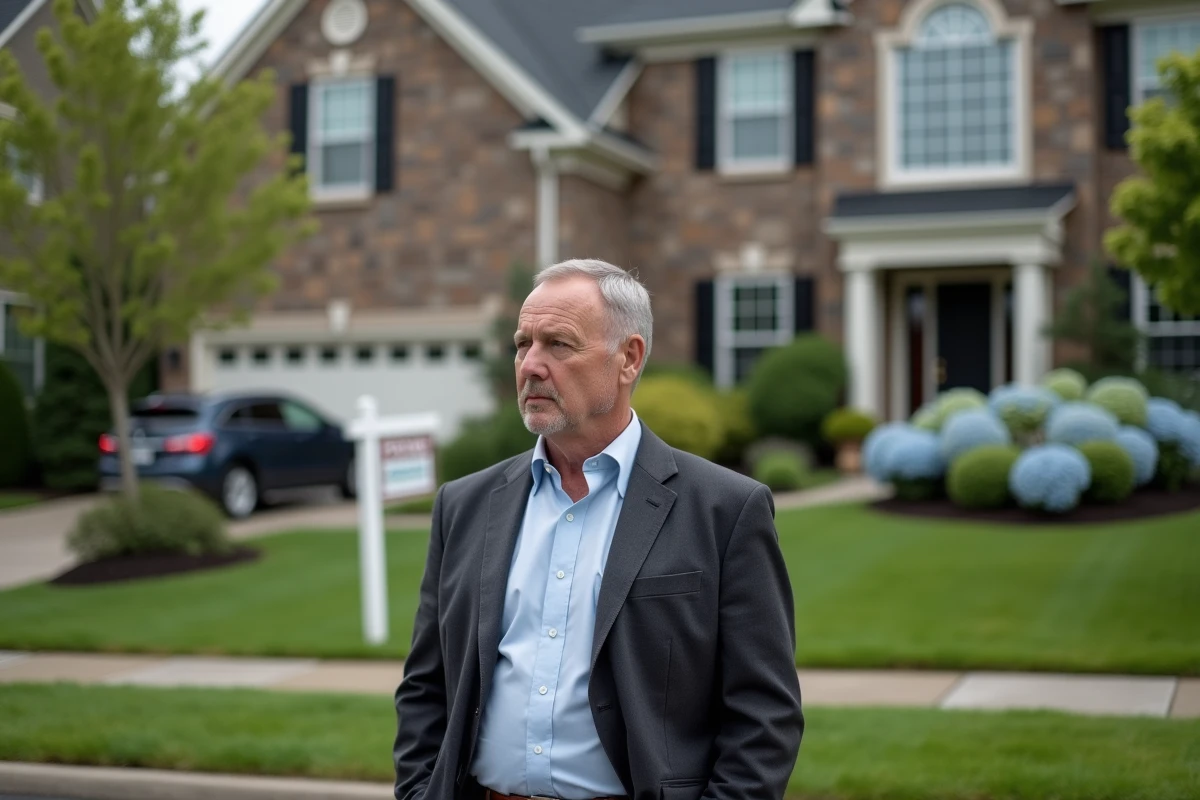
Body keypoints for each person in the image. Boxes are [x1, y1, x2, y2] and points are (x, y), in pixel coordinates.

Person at [393, 258, 803, 800]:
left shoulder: (725, 510)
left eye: (558, 344)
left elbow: (764, 712)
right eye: (523, 344)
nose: (531, 365)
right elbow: (426, 687)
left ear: (628, 358)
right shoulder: (464, 506)